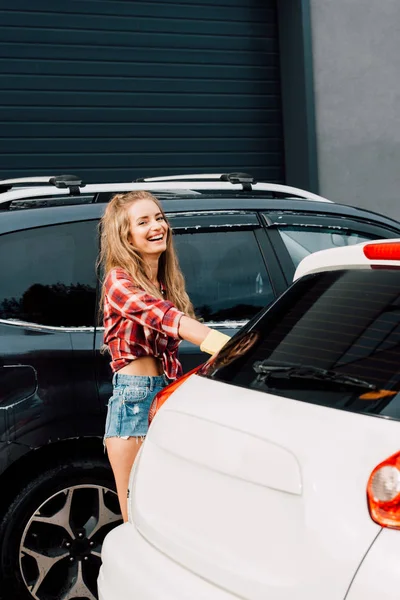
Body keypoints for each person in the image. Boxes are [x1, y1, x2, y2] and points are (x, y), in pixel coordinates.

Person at [98, 190, 229, 521]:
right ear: (126, 235)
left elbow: (169, 353)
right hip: (133, 403)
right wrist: (229, 345)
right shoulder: (119, 280)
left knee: (170, 515)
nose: (156, 226)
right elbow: (166, 319)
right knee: (137, 522)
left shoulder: (163, 283)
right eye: (142, 222)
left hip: (164, 397)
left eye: (158, 218)